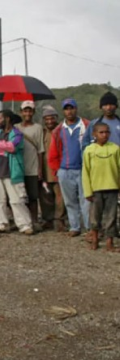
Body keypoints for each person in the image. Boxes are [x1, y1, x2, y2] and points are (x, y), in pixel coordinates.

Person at [0, 110, 34, 235]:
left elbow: (13, 147)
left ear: (7, 119)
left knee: (17, 199)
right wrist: (4, 149)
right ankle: (0, 224)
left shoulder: (17, 134)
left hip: (12, 171)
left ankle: (24, 225)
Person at [48, 98, 91, 237]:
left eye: (71, 108)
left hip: (83, 169)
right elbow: (53, 152)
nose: (69, 111)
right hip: (65, 170)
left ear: (76, 109)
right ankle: (75, 227)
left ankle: (90, 229)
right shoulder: (58, 130)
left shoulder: (86, 125)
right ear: (63, 111)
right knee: (70, 201)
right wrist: (57, 170)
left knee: (87, 201)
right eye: (66, 108)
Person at [82, 122, 120, 251]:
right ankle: (95, 240)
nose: (105, 135)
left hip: (112, 188)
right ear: (94, 134)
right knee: (95, 216)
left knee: (111, 216)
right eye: (101, 132)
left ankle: (109, 242)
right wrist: (88, 191)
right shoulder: (89, 150)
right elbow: (85, 172)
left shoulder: (115, 148)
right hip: (96, 189)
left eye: (107, 132)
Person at [15, 101, 45, 228]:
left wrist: (40, 168)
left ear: (33, 112)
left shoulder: (38, 128)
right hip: (18, 167)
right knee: (20, 197)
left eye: (30, 111)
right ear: (21, 112)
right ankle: (22, 221)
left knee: (33, 197)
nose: (27, 113)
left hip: (32, 167)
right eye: (25, 110)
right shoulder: (16, 127)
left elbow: (40, 150)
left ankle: (34, 220)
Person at [39, 106, 67, 231]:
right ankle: (48, 219)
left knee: (60, 196)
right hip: (45, 169)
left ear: (56, 118)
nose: (50, 121)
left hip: (59, 168)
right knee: (45, 196)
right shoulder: (42, 132)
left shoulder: (62, 130)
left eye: (52, 118)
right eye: (47, 119)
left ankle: (59, 220)